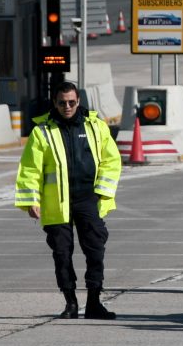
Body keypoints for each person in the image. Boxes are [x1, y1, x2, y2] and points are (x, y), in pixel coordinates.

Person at [15, 81, 121, 320]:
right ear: (54, 103)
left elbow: (111, 160)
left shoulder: (95, 126)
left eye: (72, 102)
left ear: (78, 101)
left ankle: (94, 302)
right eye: (62, 103)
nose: (67, 107)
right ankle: (70, 302)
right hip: (56, 203)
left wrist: (101, 192)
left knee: (95, 251)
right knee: (62, 254)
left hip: (88, 200)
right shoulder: (41, 131)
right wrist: (31, 200)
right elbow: (30, 169)